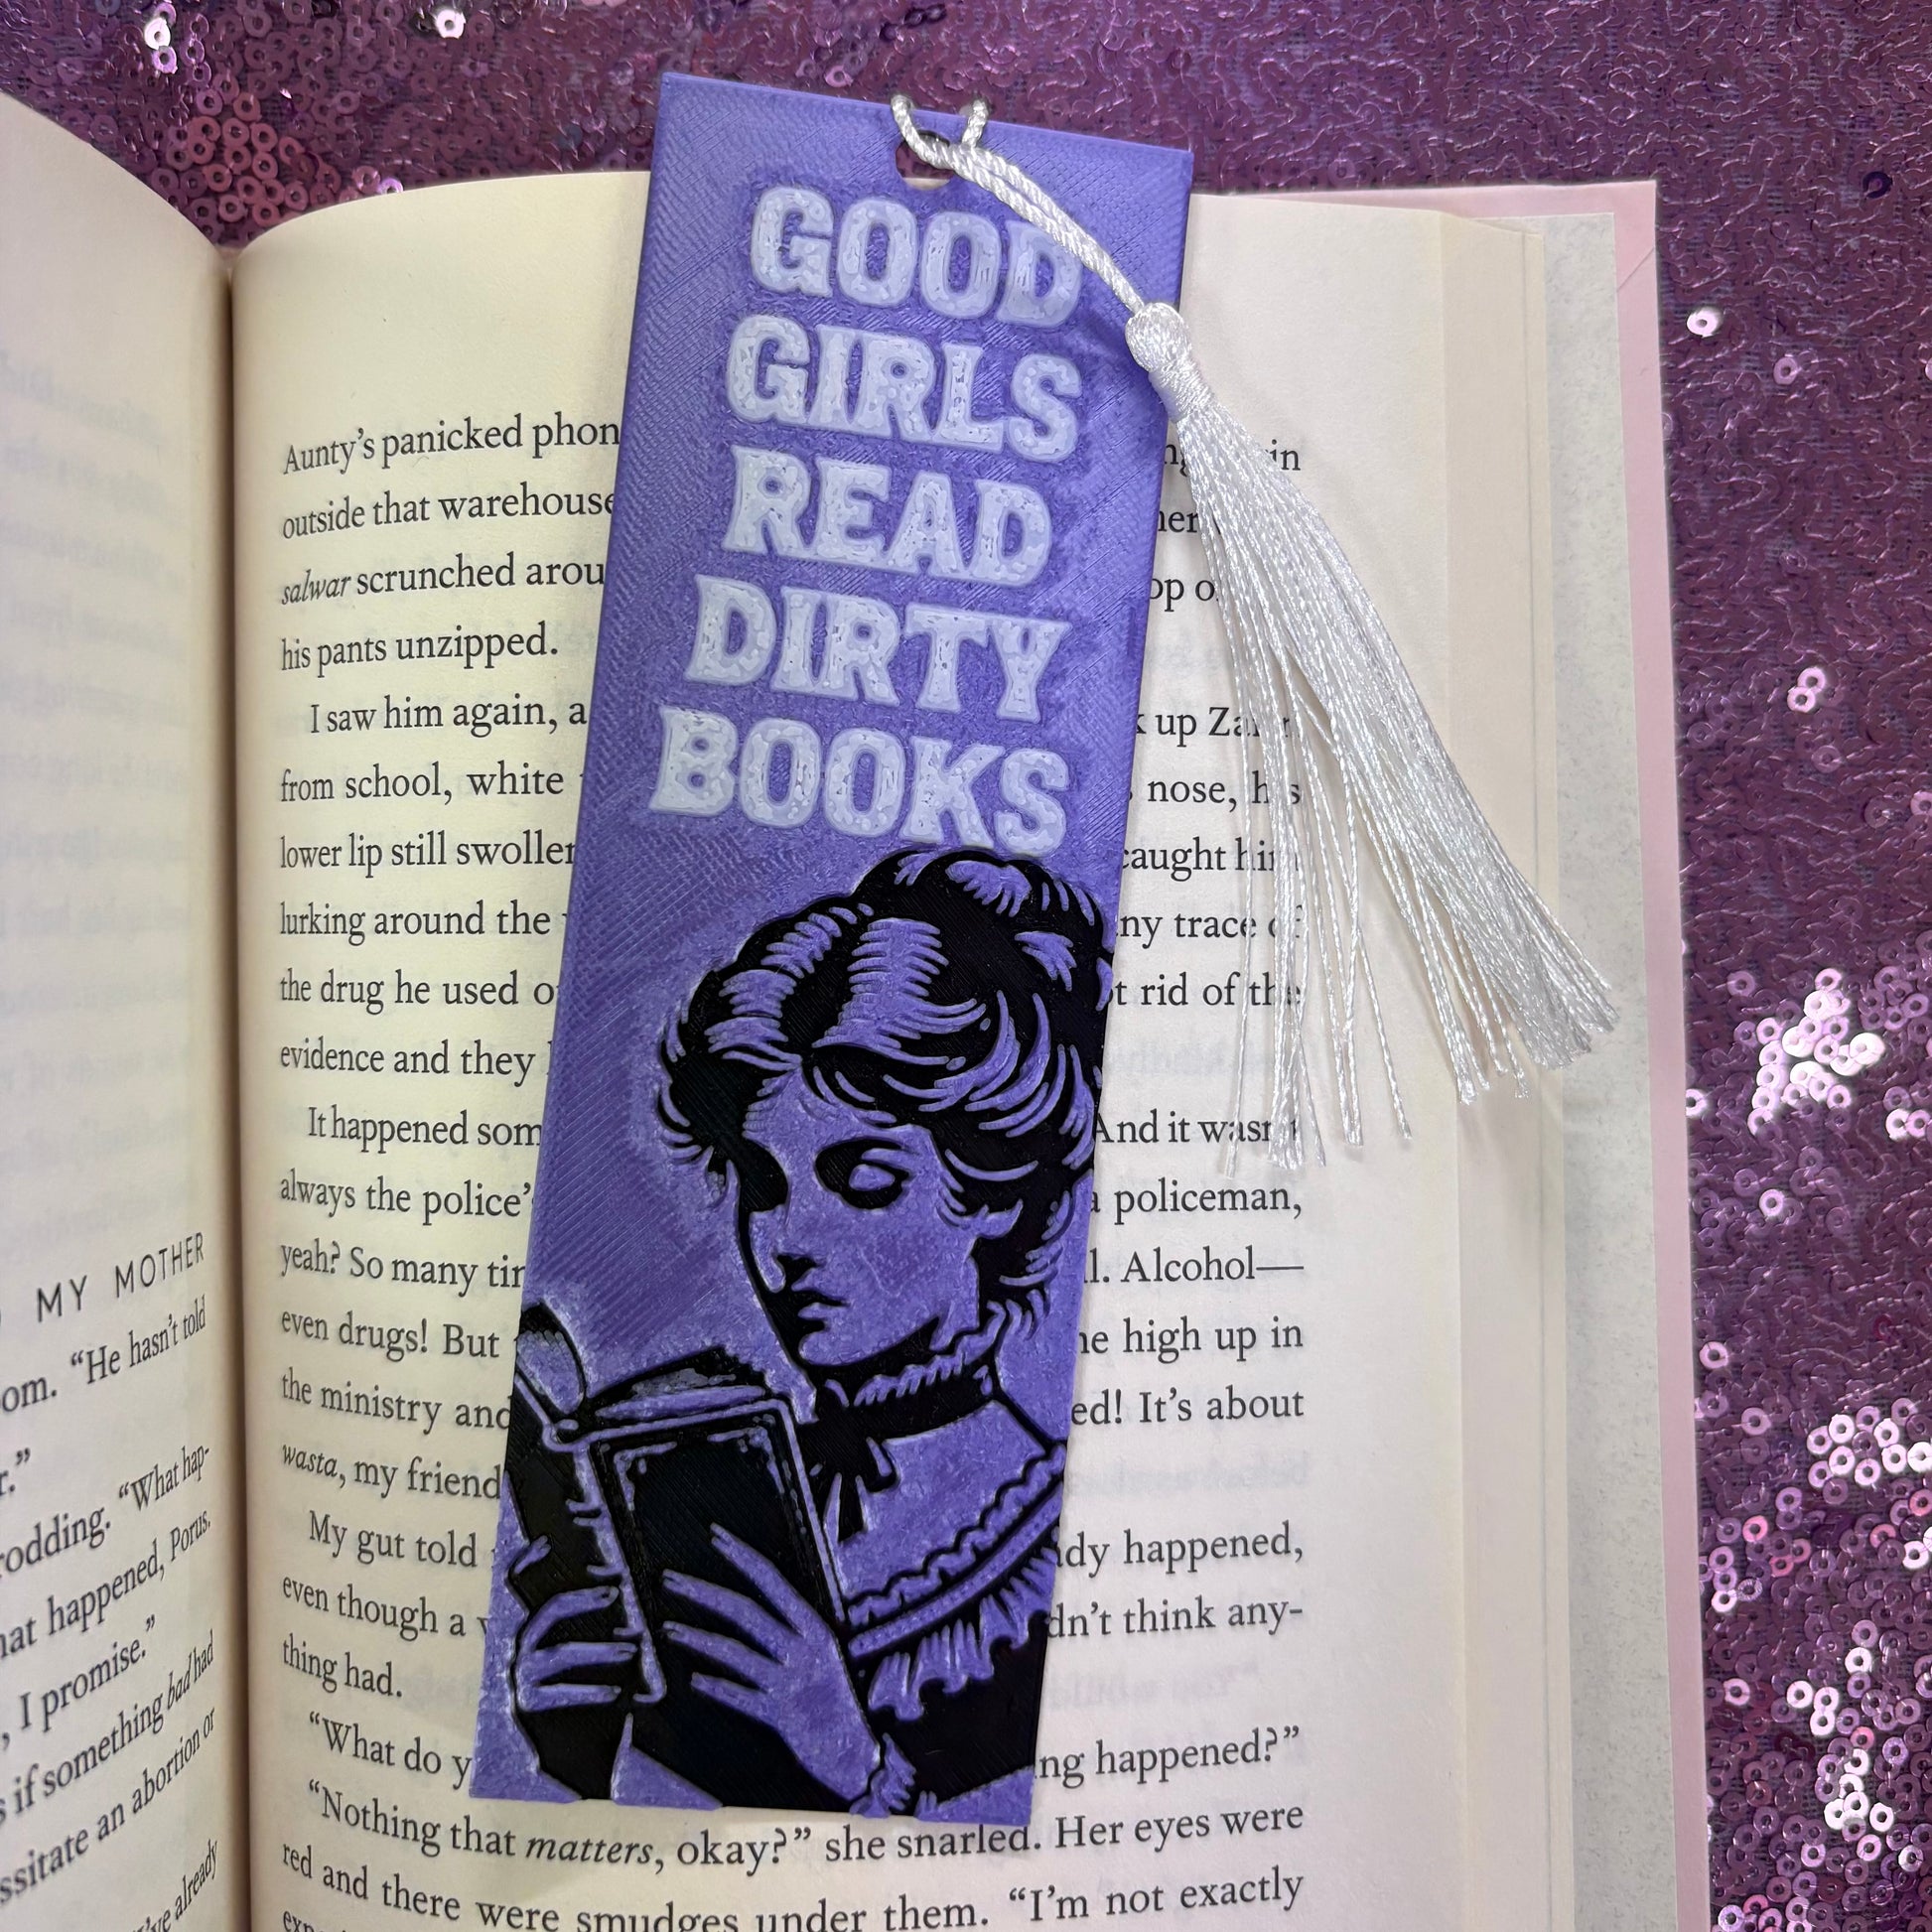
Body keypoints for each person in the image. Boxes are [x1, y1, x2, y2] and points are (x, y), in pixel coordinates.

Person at [507, 848, 1110, 1817]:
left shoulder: (1045, 1555)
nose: (787, 1241)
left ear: (993, 1193)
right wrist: (571, 1746)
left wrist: (852, 1757)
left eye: (863, 1180)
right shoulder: (719, 1481)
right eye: (764, 1182)